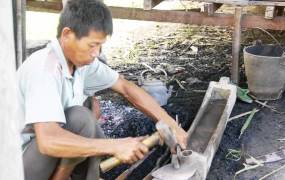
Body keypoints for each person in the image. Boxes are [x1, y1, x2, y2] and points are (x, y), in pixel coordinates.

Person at [17, 0, 187, 180]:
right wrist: (114, 146)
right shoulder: (45, 68)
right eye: (92, 45)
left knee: (91, 109)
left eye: (100, 45)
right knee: (81, 119)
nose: (96, 53)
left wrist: (172, 125)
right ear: (67, 34)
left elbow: (125, 87)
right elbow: (48, 141)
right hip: (16, 166)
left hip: (43, 158)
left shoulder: (81, 63)